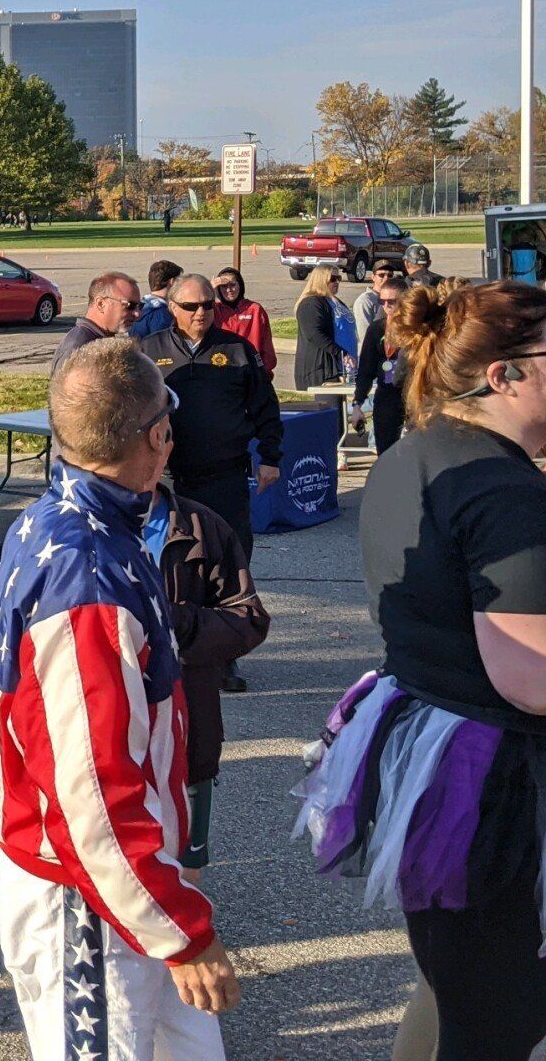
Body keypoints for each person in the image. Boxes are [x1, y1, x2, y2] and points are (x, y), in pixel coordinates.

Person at [0, 339, 239, 1059]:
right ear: (157, 437)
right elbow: (93, 796)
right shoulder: (88, 571)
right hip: (92, 901)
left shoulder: (54, 524)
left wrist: (2, 818)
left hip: (112, 881)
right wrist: (181, 930)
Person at [293, 280, 546, 1057]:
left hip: (430, 748)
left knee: (455, 979)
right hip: (491, 778)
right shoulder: (503, 490)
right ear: (504, 375)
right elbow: (529, 675)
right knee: (499, 1012)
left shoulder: (415, 451)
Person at [147, 484, 271, 880]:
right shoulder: (75, 529)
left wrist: (175, 621)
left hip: (189, 735)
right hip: (104, 737)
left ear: (164, 444)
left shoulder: (201, 527)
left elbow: (248, 618)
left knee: (185, 876)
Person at [136, 275, 282, 557]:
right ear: (172, 307)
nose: (200, 313)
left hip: (225, 477)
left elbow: (265, 405)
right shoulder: (149, 350)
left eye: (207, 305)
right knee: (172, 559)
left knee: (230, 555)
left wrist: (270, 458)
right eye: (191, 306)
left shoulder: (238, 350)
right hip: (168, 477)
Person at [352, 273, 410, 454]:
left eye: (391, 301)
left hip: (414, 395)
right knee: (385, 451)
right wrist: (357, 403)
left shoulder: (417, 328)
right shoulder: (377, 328)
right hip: (387, 394)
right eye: (382, 301)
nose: (386, 306)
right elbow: (366, 368)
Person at [52, 271, 143, 372]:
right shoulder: (79, 349)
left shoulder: (101, 341)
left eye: (140, 306)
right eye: (130, 306)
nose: (137, 314)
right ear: (101, 304)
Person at [212, 266, 277, 375]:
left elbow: (266, 345)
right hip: (222, 371)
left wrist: (264, 372)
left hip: (251, 371)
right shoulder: (213, 310)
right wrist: (210, 290)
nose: (229, 290)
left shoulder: (254, 309)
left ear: (240, 286)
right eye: (223, 286)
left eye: (232, 285)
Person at [294, 266, 346, 390]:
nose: (337, 282)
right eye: (333, 279)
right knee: (327, 408)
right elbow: (314, 334)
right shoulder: (311, 303)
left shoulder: (335, 302)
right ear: (320, 280)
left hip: (337, 367)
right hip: (320, 370)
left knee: (341, 408)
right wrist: (341, 353)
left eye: (338, 278)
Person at [131, 259, 182, 338]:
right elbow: (164, 345)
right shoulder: (160, 314)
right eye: (179, 282)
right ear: (172, 282)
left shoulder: (139, 307)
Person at [353, 258, 400, 339]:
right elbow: (364, 334)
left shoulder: (396, 298)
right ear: (373, 277)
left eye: (390, 275)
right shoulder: (365, 300)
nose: (386, 278)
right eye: (381, 275)